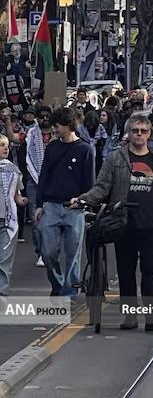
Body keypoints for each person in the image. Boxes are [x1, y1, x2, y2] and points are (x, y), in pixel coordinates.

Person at [76, 114, 153, 331]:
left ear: (149, 134)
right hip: (123, 224)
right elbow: (102, 187)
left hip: (152, 225)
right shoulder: (115, 159)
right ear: (128, 133)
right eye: (135, 131)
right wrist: (83, 199)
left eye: (143, 131)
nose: (139, 134)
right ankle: (130, 316)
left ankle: (152, 313)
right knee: (125, 271)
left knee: (150, 270)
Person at [35, 107, 95, 297]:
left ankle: (69, 294)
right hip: (51, 205)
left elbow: (90, 181)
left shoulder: (85, 149)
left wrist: (85, 202)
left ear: (69, 125)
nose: (54, 129)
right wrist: (39, 204)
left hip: (75, 208)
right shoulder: (52, 147)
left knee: (73, 255)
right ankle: (58, 284)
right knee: (47, 252)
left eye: (57, 126)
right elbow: (44, 176)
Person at [25, 107, 52, 267]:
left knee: (51, 219)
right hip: (33, 182)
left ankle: (47, 252)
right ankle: (40, 251)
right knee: (36, 220)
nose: (45, 119)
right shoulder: (31, 133)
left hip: (53, 183)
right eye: (42, 116)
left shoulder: (57, 134)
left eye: (47, 116)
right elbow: (27, 157)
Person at [0, 134, 26, 299]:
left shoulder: (12, 170)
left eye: (7, 145)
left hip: (7, 221)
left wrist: (21, 200)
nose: (6, 148)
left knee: (4, 260)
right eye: (1, 145)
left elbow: (16, 193)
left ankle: (1, 295)